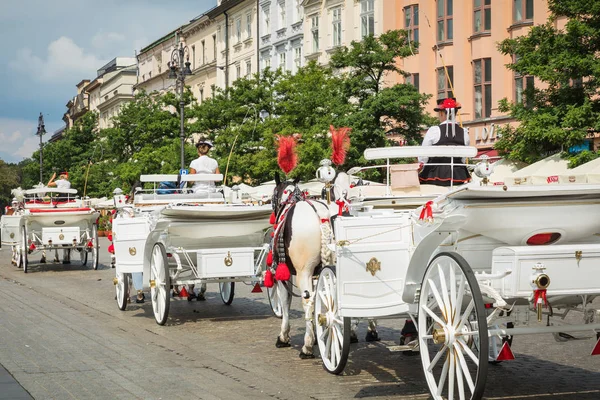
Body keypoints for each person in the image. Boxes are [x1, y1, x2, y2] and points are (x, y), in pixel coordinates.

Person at [184, 138, 221, 300]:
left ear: (199, 149)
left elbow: (191, 180)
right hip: (213, 195)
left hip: (198, 195)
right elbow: (219, 177)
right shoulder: (214, 162)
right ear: (209, 149)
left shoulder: (194, 162)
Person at [418, 97, 471, 187]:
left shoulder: (434, 130)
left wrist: (423, 165)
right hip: (457, 174)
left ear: (442, 113)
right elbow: (463, 157)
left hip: (434, 173)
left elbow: (423, 155)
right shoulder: (464, 133)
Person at [42, 171, 72, 264]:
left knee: (48, 199)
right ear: (66, 176)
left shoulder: (59, 181)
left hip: (59, 200)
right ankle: (66, 256)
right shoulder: (69, 183)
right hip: (66, 199)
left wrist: (52, 177)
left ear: (60, 176)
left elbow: (49, 184)